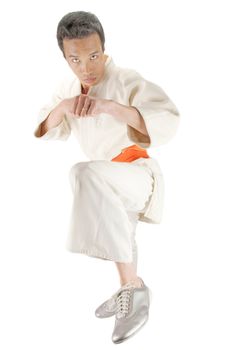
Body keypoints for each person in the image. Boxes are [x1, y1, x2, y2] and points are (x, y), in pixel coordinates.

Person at [34, 11, 180, 344]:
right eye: (75, 59)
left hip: (137, 174)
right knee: (117, 224)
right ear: (65, 58)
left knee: (83, 172)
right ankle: (129, 288)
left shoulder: (127, 80)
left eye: (93, 56)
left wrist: (111, 108)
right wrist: (64, 107)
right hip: (105, 179)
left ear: (103, 48)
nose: (85, 66)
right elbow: (45, 130)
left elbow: (168, 116)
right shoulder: (68, 89)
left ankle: (135, 290)